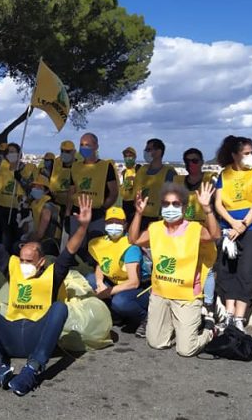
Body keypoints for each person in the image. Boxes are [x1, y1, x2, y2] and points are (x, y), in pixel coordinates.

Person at [0, 183, 91, 396]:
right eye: (21, 259)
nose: (23, 263)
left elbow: (70, 250)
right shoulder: (12, 267)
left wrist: (82, 226)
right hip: (10, 335)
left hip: (36, 336)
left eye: (29, 260)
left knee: (60, 308)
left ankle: (32, 369)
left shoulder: (54, 273)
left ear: (41, 262)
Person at [128, 181, 220, 356]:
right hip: (160, 294)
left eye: (176, 204)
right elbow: (133, 239)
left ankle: (210, 329)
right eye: (166, 204)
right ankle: (180, 328)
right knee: (156, 342)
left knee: (186, 350)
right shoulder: (155, 228)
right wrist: (139, 213)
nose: (170, 208)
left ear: (184, 207)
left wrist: (207, 209)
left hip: (186, 295)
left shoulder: (194, 229)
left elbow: (215, 235)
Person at [213, 135, 252, 332]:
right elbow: (218, 203)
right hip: (229, 227)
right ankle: (228, 313)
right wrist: (232, 224)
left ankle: (239, 316)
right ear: (234, 155)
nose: (250, 156)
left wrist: (243, 225)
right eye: (246, 153)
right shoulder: (224, 174)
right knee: (228, 270)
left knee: (247, 272)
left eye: (251, 152)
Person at [86, 206, 150, 336]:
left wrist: (106, 292)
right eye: (110, 222)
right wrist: (99, 282)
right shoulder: (100, 242)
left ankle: (145, 318)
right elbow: (101, 264)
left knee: (120, 302)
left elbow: (134, 282)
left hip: (139, 287)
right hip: (117, 282)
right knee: (90, 279)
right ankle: (117, 313)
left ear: (125, 225)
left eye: (118, 222)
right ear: (105, 224)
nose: (114, 225)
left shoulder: (130, 246)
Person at [174, 148, 219, 328]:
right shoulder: (178, 181)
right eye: (187, 161)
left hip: (204, 230)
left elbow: (218, 202)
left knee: (207, 268)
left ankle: (208, 305)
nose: (190, 164)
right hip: (183, 231)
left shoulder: (210, 179)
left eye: (194, 161)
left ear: (201, 162)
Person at [68, 133, 118, 243]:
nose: (83, 148)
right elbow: (71, 191)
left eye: (87, 145)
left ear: (96, 147)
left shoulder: (105, 166)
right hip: (77, 212)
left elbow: (113, 192)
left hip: (97, 213)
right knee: (76, 246)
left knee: (95, 246)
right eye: (81, 145)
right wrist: (68, 213)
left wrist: (103, 208)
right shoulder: (75, 166)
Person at [0, 143, 37, 254]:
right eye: (8, 152)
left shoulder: (28, 169)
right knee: (6, 236)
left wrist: (20, 178)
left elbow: (31, 189)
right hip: (4, 207)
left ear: (19, 154)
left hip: (19, 210)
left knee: (19, 237)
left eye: (13, 152)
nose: (10, 154)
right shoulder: (3, 165)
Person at [133, 138, 176, 230]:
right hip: (140, 215)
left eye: (149, 150)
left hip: (159, 219)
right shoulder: (142, 170)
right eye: (145, 150)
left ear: (159, 152)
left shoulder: (169, 173)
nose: (145, 152)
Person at [27, 175, 62, 256]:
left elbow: (40, 233)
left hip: (50, 243)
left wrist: (27, 243)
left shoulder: (48, 206)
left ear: (46, 191)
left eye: (39, 187)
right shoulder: (34, 203)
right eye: (34, 186)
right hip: (39, 240)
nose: (35, 189)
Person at [120, 147, 139, 224]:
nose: (128, 158)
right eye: (126, 156)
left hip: (135, 201)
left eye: (130, 155)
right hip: (125, 201)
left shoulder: (139, 169)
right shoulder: (124, 171)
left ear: (135, 157)